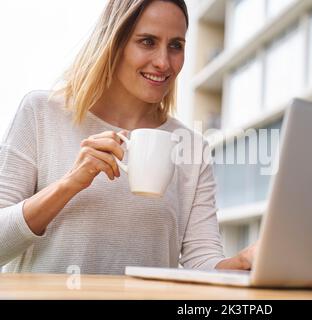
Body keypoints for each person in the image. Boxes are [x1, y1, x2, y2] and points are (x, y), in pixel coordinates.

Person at [0, 0, 256, 275]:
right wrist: (69, 185)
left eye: (176, 45)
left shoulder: (192, 147)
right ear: (114, 43)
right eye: (147, 41)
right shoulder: (42, 112)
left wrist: (242, 262)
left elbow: (202, 262)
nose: (163, 62)